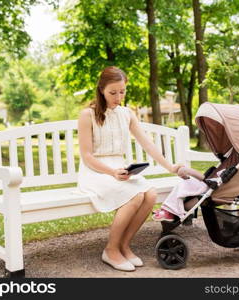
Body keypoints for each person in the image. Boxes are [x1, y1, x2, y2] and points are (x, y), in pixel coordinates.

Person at [77, 66, 182, 272]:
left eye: (122, 91)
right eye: (113, 92)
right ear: (101, 90)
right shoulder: (87, 115)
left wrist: (170, 166)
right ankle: (111, 250)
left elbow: (148, 144)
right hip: (95, 171)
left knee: (150, 195)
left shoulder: (127, 114)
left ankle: (124, 245)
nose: (118, 97)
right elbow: (87, 156)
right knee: (134, 196)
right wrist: (112, 172)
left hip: (120, 169)